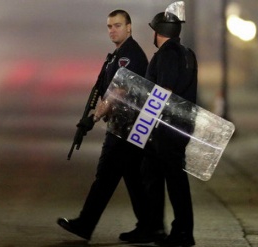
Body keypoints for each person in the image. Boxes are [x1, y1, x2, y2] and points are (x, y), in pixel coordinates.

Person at [57, 9, 166, 243]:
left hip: (125, 129)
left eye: (117, 25)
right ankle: (150, 226)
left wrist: (93, 118)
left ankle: (86, 224)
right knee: (133, 178)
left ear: (129, 27)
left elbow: (119, 92)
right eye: (109, 26)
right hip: (125, 128)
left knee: (105, 177)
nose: (112, 30)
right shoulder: (118, 54)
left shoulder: (129, 55)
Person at [142, 2, 198, 247]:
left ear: (158, 32)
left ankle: (182, 233)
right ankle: (156, 227)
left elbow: (163, 92)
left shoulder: (166, 55)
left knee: (175, 182)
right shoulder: (187, 54)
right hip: (182, 125)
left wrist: (146, 123)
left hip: (166, 128)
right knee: (154, 174)